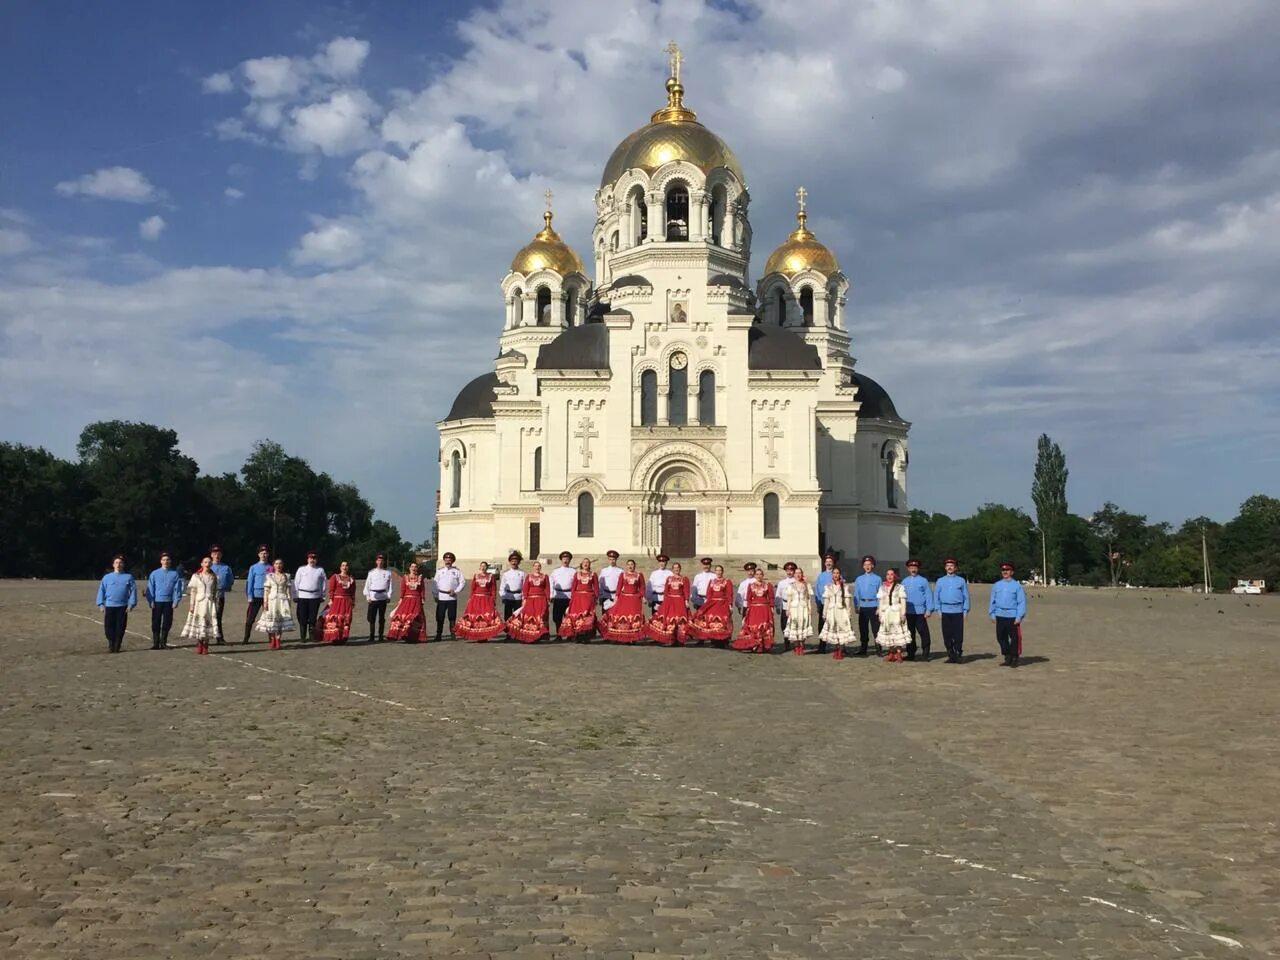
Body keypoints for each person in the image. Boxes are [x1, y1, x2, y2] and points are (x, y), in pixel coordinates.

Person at [989, 561, 1028, 667]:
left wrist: (1019, 616)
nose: (1005, 572)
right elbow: (992, 600)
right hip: (1000, 614)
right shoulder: (997, 585)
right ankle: (1007, 655)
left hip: (1012, 616)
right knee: (1001, 637)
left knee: (1015, 638)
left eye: (1007, 570)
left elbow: (1021, 602)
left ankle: (1014, 657)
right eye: (1003, 570)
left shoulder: (1017, 586)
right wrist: (992, 614)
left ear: (1012, 572)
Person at [599, 559, 648, 644]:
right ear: (626, 566)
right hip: (624, 598)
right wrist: (617, 596)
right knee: (621, 616)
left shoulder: (639, 575)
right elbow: (619, 586)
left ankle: (633, 637)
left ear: (634, 565)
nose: (630, 566)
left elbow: (642, 587)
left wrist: (642, 596)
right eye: (628, 564)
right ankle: (620, 636)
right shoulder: (623, 574)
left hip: (634, 599)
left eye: (632, 564)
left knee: (633, 617)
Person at [95, 555, 136, 654]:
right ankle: (111, 643)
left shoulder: (128, 577)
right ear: (113, 565)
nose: (118, 564)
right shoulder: (107, 577)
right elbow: (101, 590)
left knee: (120, 627)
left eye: (120, 563)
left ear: (123, 564)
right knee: (109, 627)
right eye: (116, 562)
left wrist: (131, 604)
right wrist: (100, 604)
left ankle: (117, 645)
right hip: (110, 606)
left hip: (122, 607)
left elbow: (133, 592)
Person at [181, 555, 221, 655]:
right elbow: (193, 591)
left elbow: (215, 591)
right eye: (205, 562)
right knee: (200, 622)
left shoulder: (214, 576)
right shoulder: (196, 576)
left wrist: (215, 602)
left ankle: (206, 645)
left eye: (209, 562)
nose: (207, 564)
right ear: (202, 564)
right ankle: (199, 643)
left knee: (208, 623)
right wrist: (191, 605)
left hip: (209, 603)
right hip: (199, 603)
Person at [933, 557, 971, 663]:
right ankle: (950, 654)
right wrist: (938, 610)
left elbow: (966, 596)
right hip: (945, 611)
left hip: (958, 610)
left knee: (958, 634)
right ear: (945, 568)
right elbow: (936, 596)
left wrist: (965, 610)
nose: (950, 567)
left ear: (955, 568)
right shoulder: (940, 581)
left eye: (952, 566)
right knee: (947, 634)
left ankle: (958, 652)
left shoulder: (961, 580)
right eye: (948, 566)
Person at [457, 561, 506, 641]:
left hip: (486, 599)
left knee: (486, 616)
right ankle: (476, 634)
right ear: (479, 568)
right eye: (481, 566)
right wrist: (470, 599)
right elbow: (472, 589)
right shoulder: (476, 576)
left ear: (487, 567)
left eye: (484, 566)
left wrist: (493, 599)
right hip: (476, 599)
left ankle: (484, 635)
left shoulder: (491, 576)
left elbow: (493, 589)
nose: (483, 568)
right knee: (476, 616)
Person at [646, 560, 691, 645]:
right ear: (672, 569)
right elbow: (666, 590)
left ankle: (680, 640)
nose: (676, 569)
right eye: (674, 568)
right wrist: (665, 602)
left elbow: (686, 590)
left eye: (678, 568)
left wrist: (686, 601)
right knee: (669, 619)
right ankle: (670, 638)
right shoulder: (669, 578)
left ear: (680, 569)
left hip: (679, 601)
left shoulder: (684, 578)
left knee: (679, 619)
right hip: (670, 601)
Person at [731, 568, 775, 653]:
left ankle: (764, 645)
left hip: (764, 609)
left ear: (763, 575)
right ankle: (754, 644)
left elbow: (771, 598)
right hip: (754, 609)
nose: (759, 576)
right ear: (755, 576)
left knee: (764, 626)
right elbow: (748, 598)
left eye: (760, 574)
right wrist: (748, 609)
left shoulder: (768, 585)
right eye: (757, 574)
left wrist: (771, 608)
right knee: (753, 627)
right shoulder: (751, 585)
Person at [145, 552, 182, 650]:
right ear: (161, 561)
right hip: (157, 602)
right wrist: (151, 600)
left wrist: (176, 600)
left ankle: (163, 642)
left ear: (170, 561)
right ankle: (156, 643)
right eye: (164, 560)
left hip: (169, 602)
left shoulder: (174, 574)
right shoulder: (155, 573)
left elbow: (177, 589)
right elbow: (150, 588)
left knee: (167, 622)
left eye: (167, 560)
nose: (166, 562)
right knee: (156, 622)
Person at [688, 564, 733, 645]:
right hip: (713, 604)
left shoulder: (727, 581)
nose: (719, 572)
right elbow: (709, 594)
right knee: (711, 620)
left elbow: (729, 594)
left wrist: (730, 604)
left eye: (720, 570)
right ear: (715, 572)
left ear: (722, 571)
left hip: (722, 604)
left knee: (723, 620)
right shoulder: (712, 581)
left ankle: (723, 640)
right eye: (717, 570)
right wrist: (707, 605)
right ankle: (713, 639)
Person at [506, 560, 550, 643]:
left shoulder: (545, 576)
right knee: (529, 617)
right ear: (533, 567)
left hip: (541, 599)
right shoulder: (529, 576)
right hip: (530, 599)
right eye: (536, 566)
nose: (537, 567)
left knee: (539, 617)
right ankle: (527, 635)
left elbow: (547, 589)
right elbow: (525, 588)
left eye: (539, 566)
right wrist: (524, 599)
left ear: (540, 567)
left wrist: (548, 599)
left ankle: (538, 636)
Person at [875, 567, 912, 662]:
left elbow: (903, 601)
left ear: (895, 576)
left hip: (896, 612)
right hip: (886, 613)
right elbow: (881, 601)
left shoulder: (899, 587)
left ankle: (899, 654)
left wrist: (903, 614)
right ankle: (891, 653)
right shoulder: (882, 587)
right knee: (888, 632)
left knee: (897, 633)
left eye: (891, 574)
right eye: (888, 574)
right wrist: (880, 613)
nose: (889, 576)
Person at [257, 559, 295, 649]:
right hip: (272, 600)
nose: (278, 565)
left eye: (280, 564)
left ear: (282, 565)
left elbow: (288, 591)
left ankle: (278, 639)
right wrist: (265, 602)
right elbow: (266, 591)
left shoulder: (287, 576)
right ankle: (273, 639)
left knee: (281, 621)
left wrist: (289, 602)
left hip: (282, 600)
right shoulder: (269, 576)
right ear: (273, 565)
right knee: (272, 621)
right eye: (276, 564)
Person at [558, 558, 599, 641]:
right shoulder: (577, 574)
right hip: (578, 598)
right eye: (584, 562)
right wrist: (572, 598)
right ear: (581, 564)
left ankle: (586, 636)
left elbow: (596, 587)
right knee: (577, 616)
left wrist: (595, 598)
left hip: (588, 598)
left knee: (587, 616)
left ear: (589, 564)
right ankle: (577, 635)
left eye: (587, 562)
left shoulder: (593, 574)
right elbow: (573, 587)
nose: (586, 564)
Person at [818, 568, 856, 658]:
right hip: (831, 611)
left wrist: (849, 614)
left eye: (837, 573)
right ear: (832, 575)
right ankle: (836, 649)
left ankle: (840, 650)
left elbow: (847, 604)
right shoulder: (828, 587)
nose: (835, 575)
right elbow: (826, 601)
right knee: (833, 630)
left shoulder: (845, 587)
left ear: (840, 575)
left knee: (841, 630)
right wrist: (824, 613)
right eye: (834, 573)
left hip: (841, 611)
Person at [901, 559, 934, 661]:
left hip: (920, 612)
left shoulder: (923, 581)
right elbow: (900, 597)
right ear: (908, 569)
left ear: (918, 568)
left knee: (923, 633)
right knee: (909, 634)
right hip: (908, 612)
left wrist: (929, 609)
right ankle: (911, 653)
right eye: (911, 568)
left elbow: (929, 596)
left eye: (915, 568)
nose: (913, 569)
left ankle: (925, 653)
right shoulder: (904, 581)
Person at [388, 561, 428, 643]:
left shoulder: (420, 578)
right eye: (412, 567)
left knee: (415, 617)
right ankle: (400, 634)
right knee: (402, 616)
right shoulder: (405, 577)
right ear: (409, 568)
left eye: (415, 567)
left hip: (416, 600)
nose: (414, 568)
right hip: (407, 600)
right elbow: (403, 589)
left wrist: (422, 598)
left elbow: (422, 589)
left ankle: (414, 636)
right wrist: (401, 598)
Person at [319, 561, 356, 644]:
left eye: (346, 565)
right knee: (335, 618)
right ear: (340, 567)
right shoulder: (335, 577)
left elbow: (353, 591)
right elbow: (331, 589)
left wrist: (353, 601)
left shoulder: (351, 579)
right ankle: (335, 637)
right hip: (337, 601)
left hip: (347, 601)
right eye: (343, 565)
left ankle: (343, 637)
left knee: (346, 619)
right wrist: (331, 599)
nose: (345, 567)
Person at [294, 551, 327, 642]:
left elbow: (323, 583)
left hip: (315, 597)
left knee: (312, 617)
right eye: (310, 558)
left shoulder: (320, 570)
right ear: (307, 559)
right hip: (302, 596)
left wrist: (323, 595)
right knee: (302, 616)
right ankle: (303, 637)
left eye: (314, 558)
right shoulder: (301, 569)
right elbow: (296, 583)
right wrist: (295, 595)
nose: (312, 560)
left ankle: (312, 636)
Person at [853, 555, 882, 656]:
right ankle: (863, 648)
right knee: (863, 628)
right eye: (865, 565)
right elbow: (856, 594)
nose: (867, 566)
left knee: (876, 628)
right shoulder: (859, 579)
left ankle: (878, 647)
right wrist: (856, 606)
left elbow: (880, 594)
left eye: (869, 564)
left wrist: (879, 607)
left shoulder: (878, 579)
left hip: (874, 605)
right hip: (863, 606)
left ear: (873, 565)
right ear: (863, 566)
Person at [433, 552, 465, 640]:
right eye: (446, 559)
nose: (448, 560)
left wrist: (456, 591)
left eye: (450, 559)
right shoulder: (440, 571)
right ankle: (438, 634)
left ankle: (453, 634)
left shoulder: (457, 571)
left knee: (452, 616)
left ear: (452, 561)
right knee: (440, 616)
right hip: (442, 597)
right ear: (444, 560)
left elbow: (462, 582)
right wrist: (435, 595)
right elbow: (434, 584)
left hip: (452, 597)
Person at [243, 544, 271, 644]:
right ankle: (246, 638)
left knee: (269, 617)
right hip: (255, 596)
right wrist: (249, 595)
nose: (264, 555)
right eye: (262, 553)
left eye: (265, 553)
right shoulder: (253, 567)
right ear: (258, 555)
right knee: (250, 618)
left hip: (267, 597)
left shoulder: (271, 567)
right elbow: (249, 582)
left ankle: (271, 638)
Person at [363, 553, 394, 641]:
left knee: (381, 618)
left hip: (383, 597)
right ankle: (372, 635)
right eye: (378, 560)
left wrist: (389, 595)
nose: (380, 562)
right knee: (371, 618)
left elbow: (390, 585)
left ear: (383, 562)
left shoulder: (387, 573)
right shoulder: (371, 572)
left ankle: (380, 635)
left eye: (381, 560)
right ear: (376, 562)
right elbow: (367, 585)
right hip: (373, 597)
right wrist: (367, 596)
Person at [783, 568, 815, 651]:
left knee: (803, 625)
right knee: (794, 626)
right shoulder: (791, 585)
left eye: (800, 573)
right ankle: (796, 645)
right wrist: (787, 609)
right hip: (794, 608)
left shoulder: (806, 585)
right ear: (794, 575)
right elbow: (789, 599)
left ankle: (801, 644)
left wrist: (809, 608)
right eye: (796, 573)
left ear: (802, 574)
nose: (798, 575)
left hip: (803, 608)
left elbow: (808, 598)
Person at [209, 544, 234, 644]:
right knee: (207, 617)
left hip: (220, 595)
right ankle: (204, 638)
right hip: (208, 595)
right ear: (211, 555)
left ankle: (219, 638)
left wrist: (226, 587)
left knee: (218, 617)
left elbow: (230, 580)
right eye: (215, 554)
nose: (217, 556)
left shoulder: (226, 567)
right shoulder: (207, 566)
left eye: (218, 554)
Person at [814, 553, 837, 643]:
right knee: (822, 625)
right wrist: (818, 603)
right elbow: (817, 590)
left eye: (830, 561)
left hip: (834, 604)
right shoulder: (821, 575)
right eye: (827, 561)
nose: (828, 563)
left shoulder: (836, 574)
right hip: (823, 604)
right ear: (824, 563)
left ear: (833, 563)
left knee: (835, 624)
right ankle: (822, 646)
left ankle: (836, 645)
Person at [549, 551, 575, 632]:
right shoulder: (555, 571)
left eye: (567, 558)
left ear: (570, 560)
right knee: (557, 617)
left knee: (569, 616)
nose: (565, 560)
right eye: (564, 558)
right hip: (558, 595)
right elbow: (551, 583)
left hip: (569, 596)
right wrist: (551, 595)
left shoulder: (573, 571)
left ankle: (569, 635)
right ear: (561, 560)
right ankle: (558, 634)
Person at [499, 552, 526, 621]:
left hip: (518, 597)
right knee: (507, 617)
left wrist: (524, 598)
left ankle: (516, 631)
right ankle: (509, 631)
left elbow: (525, 586)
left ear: (518, 562)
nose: (514, 563)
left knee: (518, 617)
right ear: (510, 562)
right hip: (508, 597)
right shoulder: (506, 574)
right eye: (512, 561)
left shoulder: (522, 573)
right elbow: (502, 587)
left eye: (515, 561)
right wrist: (503, 597)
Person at [775, 561, 797, 638]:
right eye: (787, 570)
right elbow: (778, 594)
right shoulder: (782, 583)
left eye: (791, 570)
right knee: (784, 624)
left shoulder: (797, 581)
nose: (789, 572)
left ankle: (795, 641)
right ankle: (786, 641)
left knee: (795, 624)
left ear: (794, 571)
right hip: (785, 605)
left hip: (794, 605)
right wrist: (777, 606)